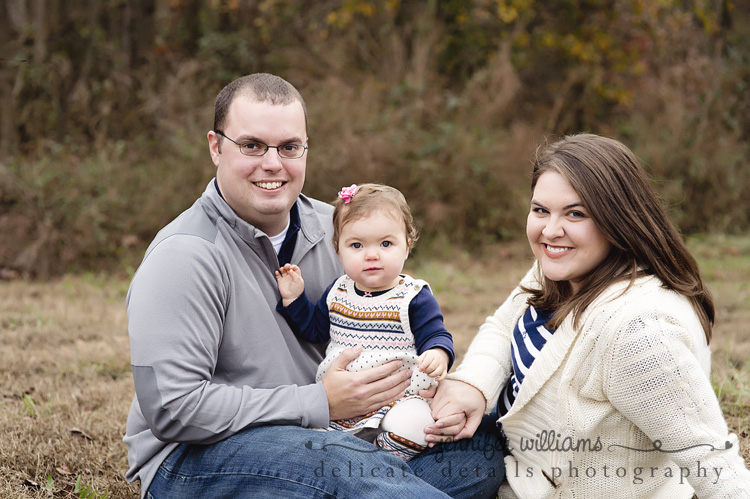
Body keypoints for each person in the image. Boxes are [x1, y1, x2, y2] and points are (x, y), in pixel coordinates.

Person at [123, 73, 504, 499]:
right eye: (251, 146)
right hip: (202, 456)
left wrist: (443, 387)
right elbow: (174, 411)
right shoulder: (183, 256)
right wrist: (318, 403)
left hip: (351, 434)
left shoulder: (343, 232)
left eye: (289, 147)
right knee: (343, 464)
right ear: (216, 146)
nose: (272, 164)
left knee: (483, 439)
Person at [429, 133, 750, 498]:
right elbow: (503, 328)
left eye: (575, 213)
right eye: (540, 210)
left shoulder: (638, 330)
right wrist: (473, 383)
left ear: (618, 218)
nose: (550, 231)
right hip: (487, 453)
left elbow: (711, 461)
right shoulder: (559, 268)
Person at [275, 183, 454, 461]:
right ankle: (357, 456)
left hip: (399, 396)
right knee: (312, 440)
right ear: (338, 250)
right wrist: (295, 299)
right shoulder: (338, 292)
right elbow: (316, 330)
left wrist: (438, 354)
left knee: (416, 424)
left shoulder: (413, 297)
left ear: (407, 246)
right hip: (344, 401)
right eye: (356, 245)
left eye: (386, 244)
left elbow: (436, 334)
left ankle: (385, 458)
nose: (372, 255)